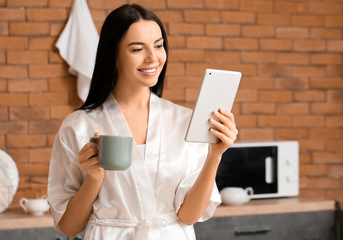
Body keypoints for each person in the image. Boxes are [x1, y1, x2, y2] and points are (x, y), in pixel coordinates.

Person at [47, 4, 238, 240]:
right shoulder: (77, 126)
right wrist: (93, 178)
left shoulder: (185, 121)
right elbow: (69, 228)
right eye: (137, 48)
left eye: (158, 45)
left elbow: (188, 216)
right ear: (112, 54)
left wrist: (215, 155)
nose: (153, 58)